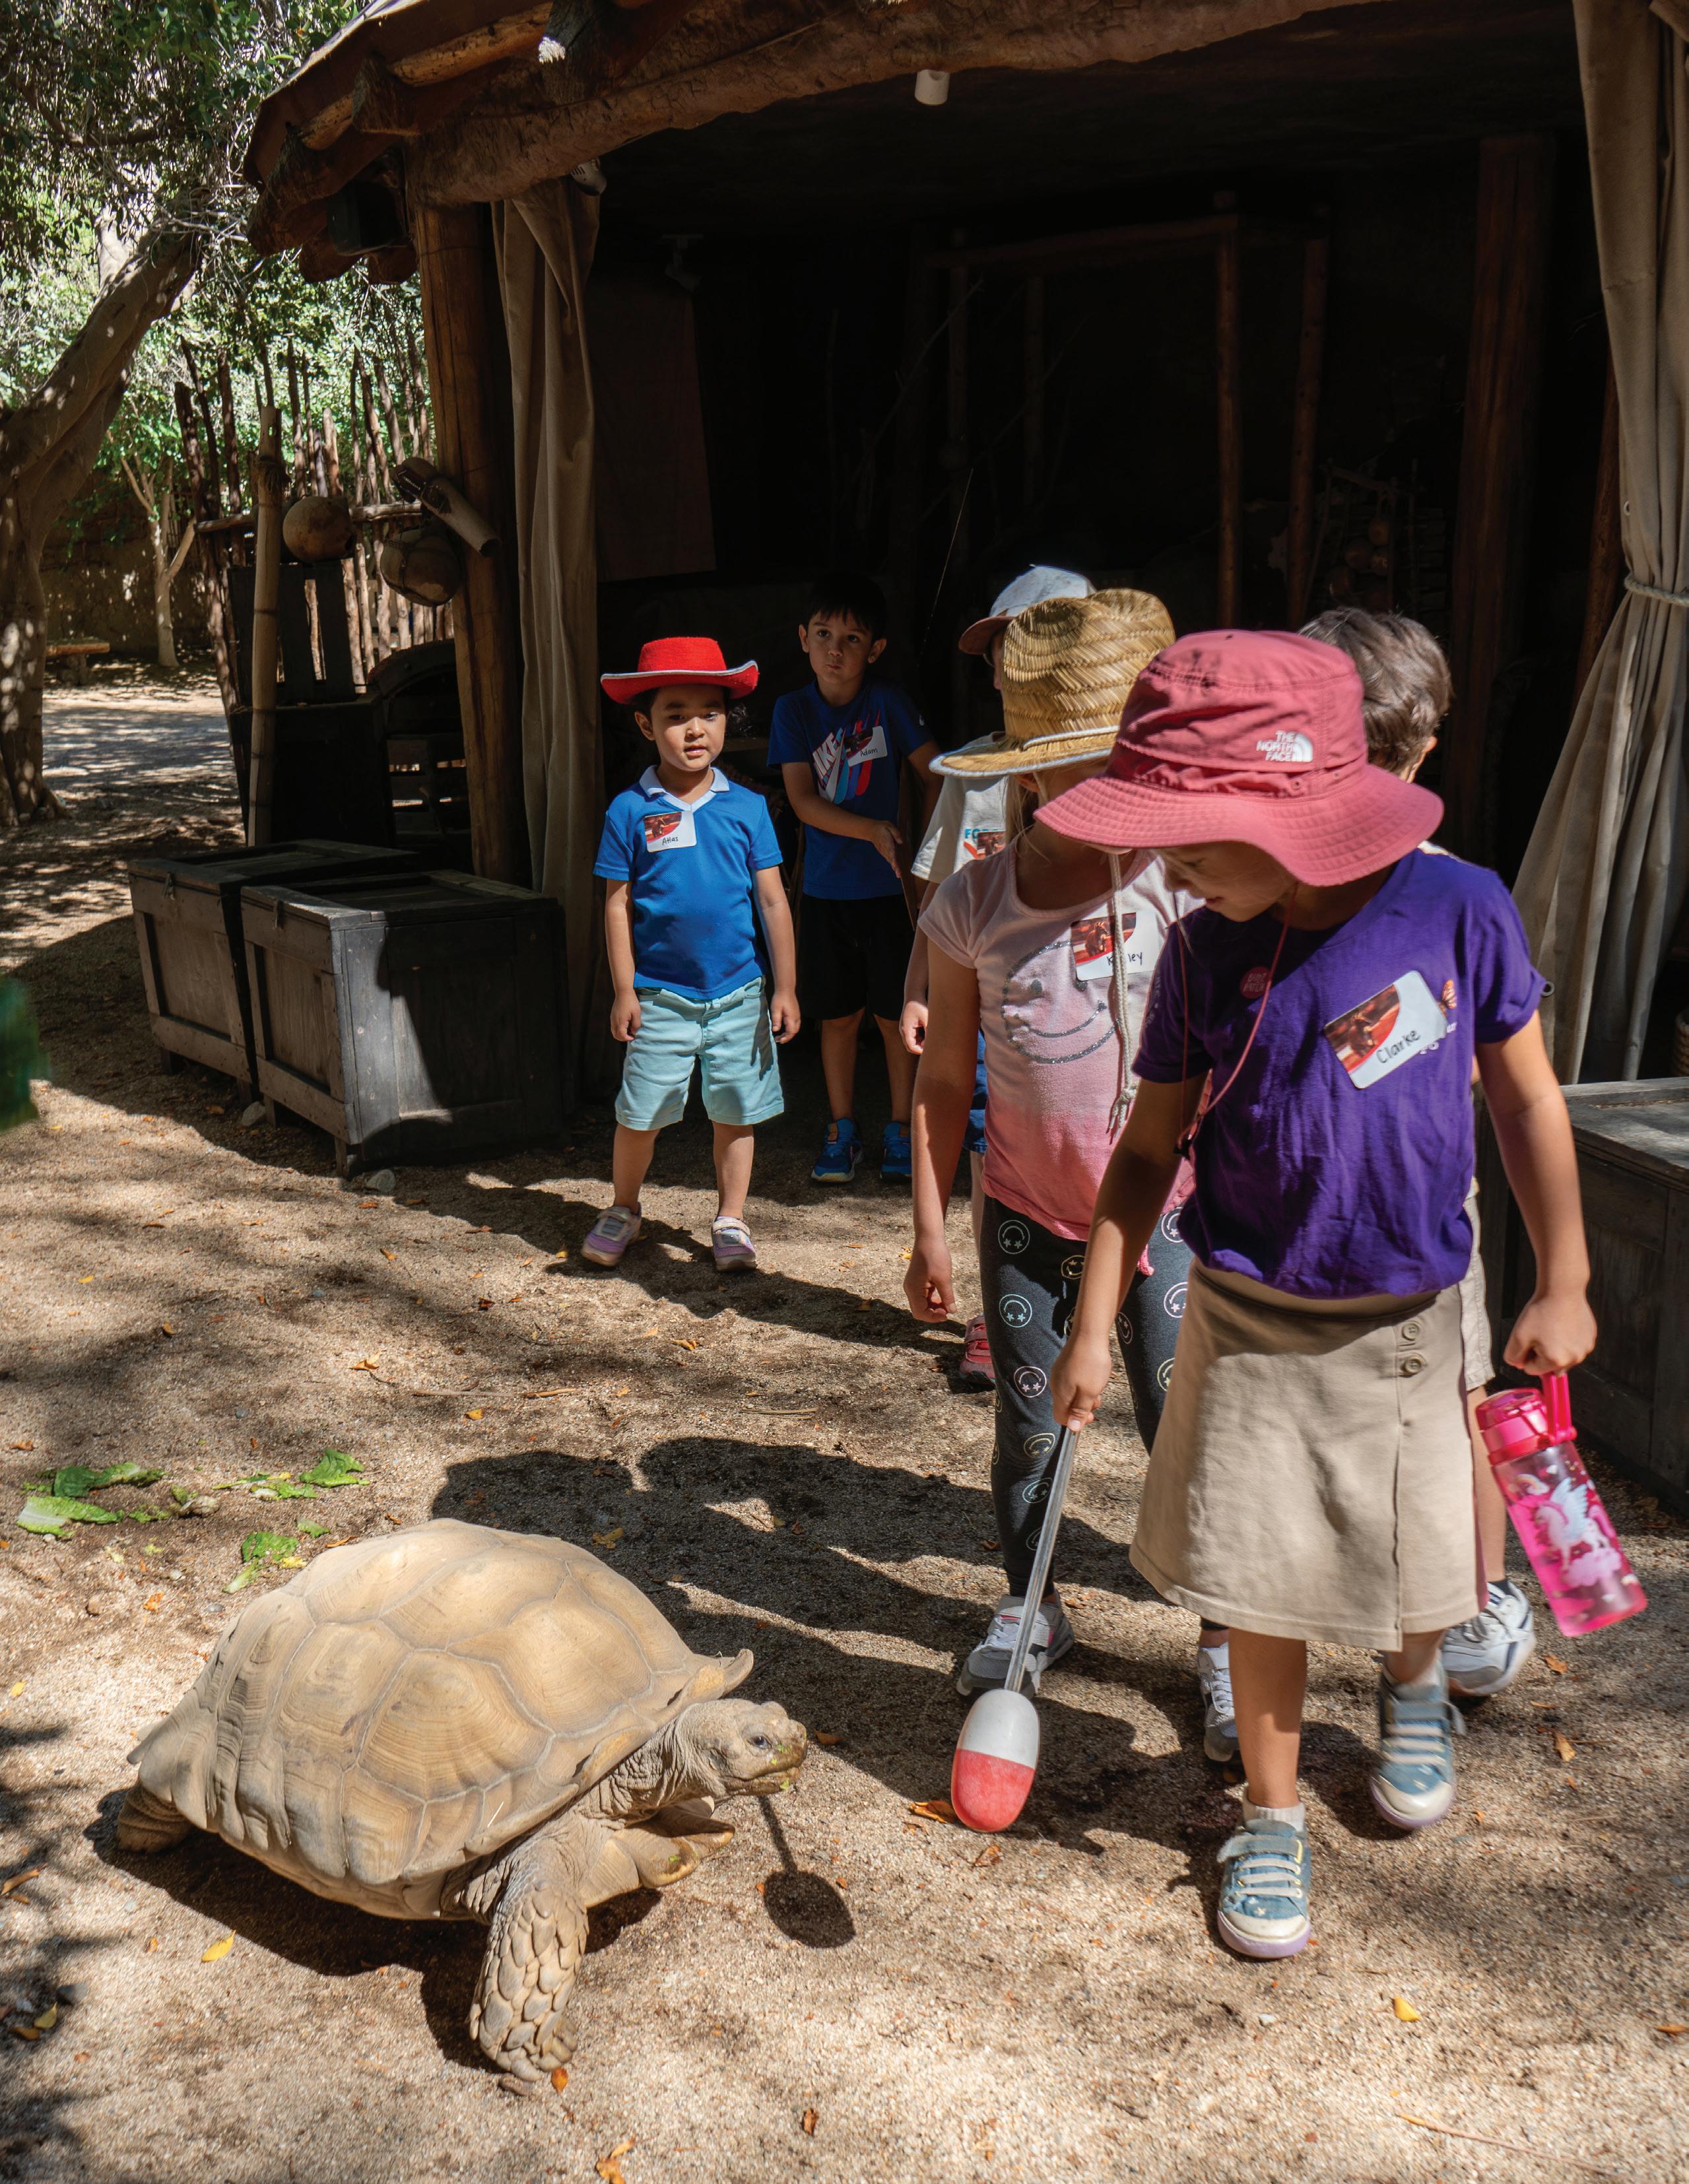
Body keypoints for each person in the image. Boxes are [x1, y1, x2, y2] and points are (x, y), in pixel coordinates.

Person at [1042, 630, 1595, 1960]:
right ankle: (1271, 1811)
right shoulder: (1196, 953)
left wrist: (1565, 1273)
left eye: (1188, 843)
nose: (1167, 869)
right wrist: (1091, 1317)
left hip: (1411, 1317)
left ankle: (1415, 1688)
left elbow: (1525, 1098)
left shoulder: (1457, 907)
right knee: (1260, 1581)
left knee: (1417, 1549)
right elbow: (1144, 1151)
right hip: (1244, 1317)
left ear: (1288, 816)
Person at [903, 589, 1193, 1695]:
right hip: (1027, 1215)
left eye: (1124, 767)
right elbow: (942, 1081)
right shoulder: (971, 905)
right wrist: (929, 1229)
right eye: (1084, 770)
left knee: (1182, 1420)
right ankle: (1030, 1603)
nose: (1112, 793)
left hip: (1171, 1210)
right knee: (1029, 1426)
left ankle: (1225, 1633)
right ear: (1026, 775)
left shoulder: (1179, 885)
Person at [1302, 607, 1536, 1698]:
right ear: (1428, 747)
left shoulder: (1451, 897)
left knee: (1450, 1401)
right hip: (1357, 1216)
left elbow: (1508, 1078)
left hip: (1419, 1220)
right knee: (1440, 1403)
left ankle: (1473, 1592)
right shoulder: (1276, 890)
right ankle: (1455, 1595)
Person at [902, 566, 1098, 1388]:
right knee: (994, 1149)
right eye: (1009, 652)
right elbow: (942, 893)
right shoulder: (972, 774)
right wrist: (918, 986)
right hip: (995, 999)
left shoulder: (1122, 769)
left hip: (1099, 997)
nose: (1025, 666)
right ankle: (997, 1307)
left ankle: (1105, 1303)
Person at [587, 638, 798, 1274]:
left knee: (735, 1112)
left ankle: (731, 1218)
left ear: (727, 721)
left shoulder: (749, 807)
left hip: (739, 993)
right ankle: (624, 1206)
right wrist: (624, 989)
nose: (694, 728)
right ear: (645, 725)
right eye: (675, 714)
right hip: (658, 996)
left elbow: (773, 901)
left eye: (709, 712)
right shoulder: (629, 809)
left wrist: (785, 987)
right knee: (640, 1113)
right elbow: (617, 905)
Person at [769, 572, 939, 1185]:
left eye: (851, 638)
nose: (834, 650)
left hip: (891, 892)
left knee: (896, 1017)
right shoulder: (792, 710)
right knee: (837, 1017)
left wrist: (928, 853)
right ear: (802, 638)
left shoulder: (888, 703)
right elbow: (801, 800)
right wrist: (870, 830)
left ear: (876, 649)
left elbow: (937, 772)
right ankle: (840, 1128)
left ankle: (901, 1128)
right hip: (824, 892)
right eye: (822, 634)